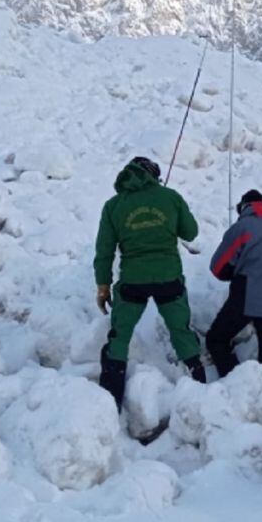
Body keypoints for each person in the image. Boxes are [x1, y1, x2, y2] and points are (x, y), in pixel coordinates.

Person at [94, 157, 205, 410]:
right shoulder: (170, 197)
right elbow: (191, 232)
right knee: (181, 331)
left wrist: (103, 286)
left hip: (132, 282)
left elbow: (104, 251)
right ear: (153, 175)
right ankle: (199, 386)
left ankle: (110, 401)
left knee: (119, 336)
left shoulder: (113, 206)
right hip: (169, 279)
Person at [206, 190, 262, 381]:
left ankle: (236, 382)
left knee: (216, 339)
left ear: (244, 207)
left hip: (245, 297)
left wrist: (233, 273)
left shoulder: (242, 227)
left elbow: (218, 266)